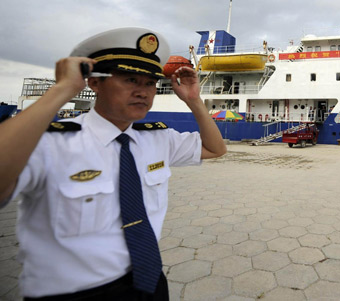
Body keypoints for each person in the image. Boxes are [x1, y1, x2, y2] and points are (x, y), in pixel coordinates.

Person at [0, 27, 227, 300]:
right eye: (130, 79)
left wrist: (194, 101)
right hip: (74, 293)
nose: (143, 92)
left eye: (150, 83)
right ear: (94, 83)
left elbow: (215, 149)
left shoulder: (157, 139)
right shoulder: (49, 143)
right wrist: (62, 90)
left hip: (149, 283)